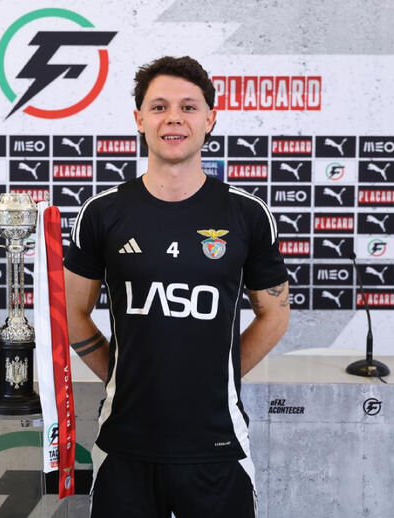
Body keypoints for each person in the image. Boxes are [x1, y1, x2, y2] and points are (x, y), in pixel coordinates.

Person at [63, 56, 290, 518]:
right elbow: (71, 312)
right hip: (125, 443)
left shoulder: (246, 215)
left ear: (210, 118)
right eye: (159, 106)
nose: (174, 118)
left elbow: (275, 314)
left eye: (189, 107)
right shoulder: (103, 212)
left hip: (218, 445)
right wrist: (119, 374)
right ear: (139, 119)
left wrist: (219, 373)